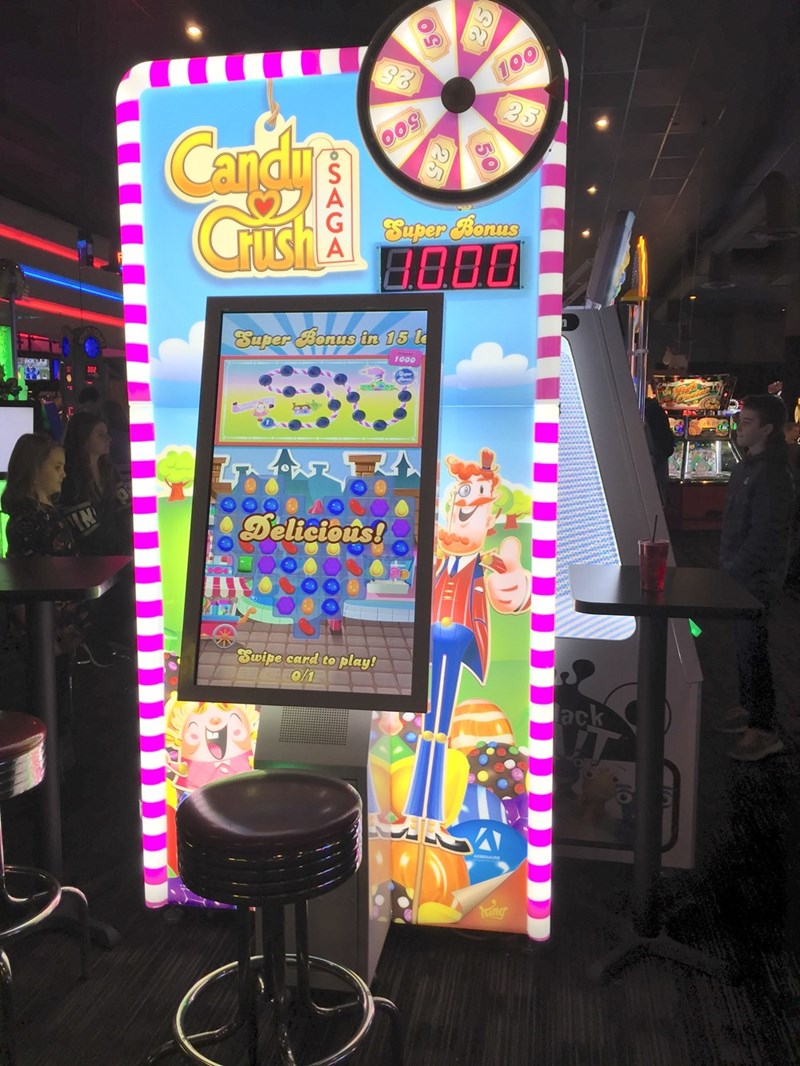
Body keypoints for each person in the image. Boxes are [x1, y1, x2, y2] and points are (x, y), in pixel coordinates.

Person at [717, 394, 795, 760]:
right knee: (743, 647)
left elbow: (767, 535)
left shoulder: (774, 473)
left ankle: (764, 729)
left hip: (756, 577)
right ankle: (750, 708)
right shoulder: (750, 465)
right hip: (741, 573)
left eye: (747, 422)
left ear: (767, 429)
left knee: (754, 649)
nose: (739, 427)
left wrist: (734, 567)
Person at [59, 410, 132, 556]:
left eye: (107, 433)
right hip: (88, 558)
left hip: (119, 551)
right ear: (83, 440)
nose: (108, 438)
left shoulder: (108, 469)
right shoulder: (70, 477)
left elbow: (127, 508)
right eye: (100, 435)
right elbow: (90, 534)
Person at [644, 383, 675, 505]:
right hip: (657, 473)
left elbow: (665, 445)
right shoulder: (655, 410)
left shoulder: (650, 412)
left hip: (654, 474)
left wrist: (653, 458)